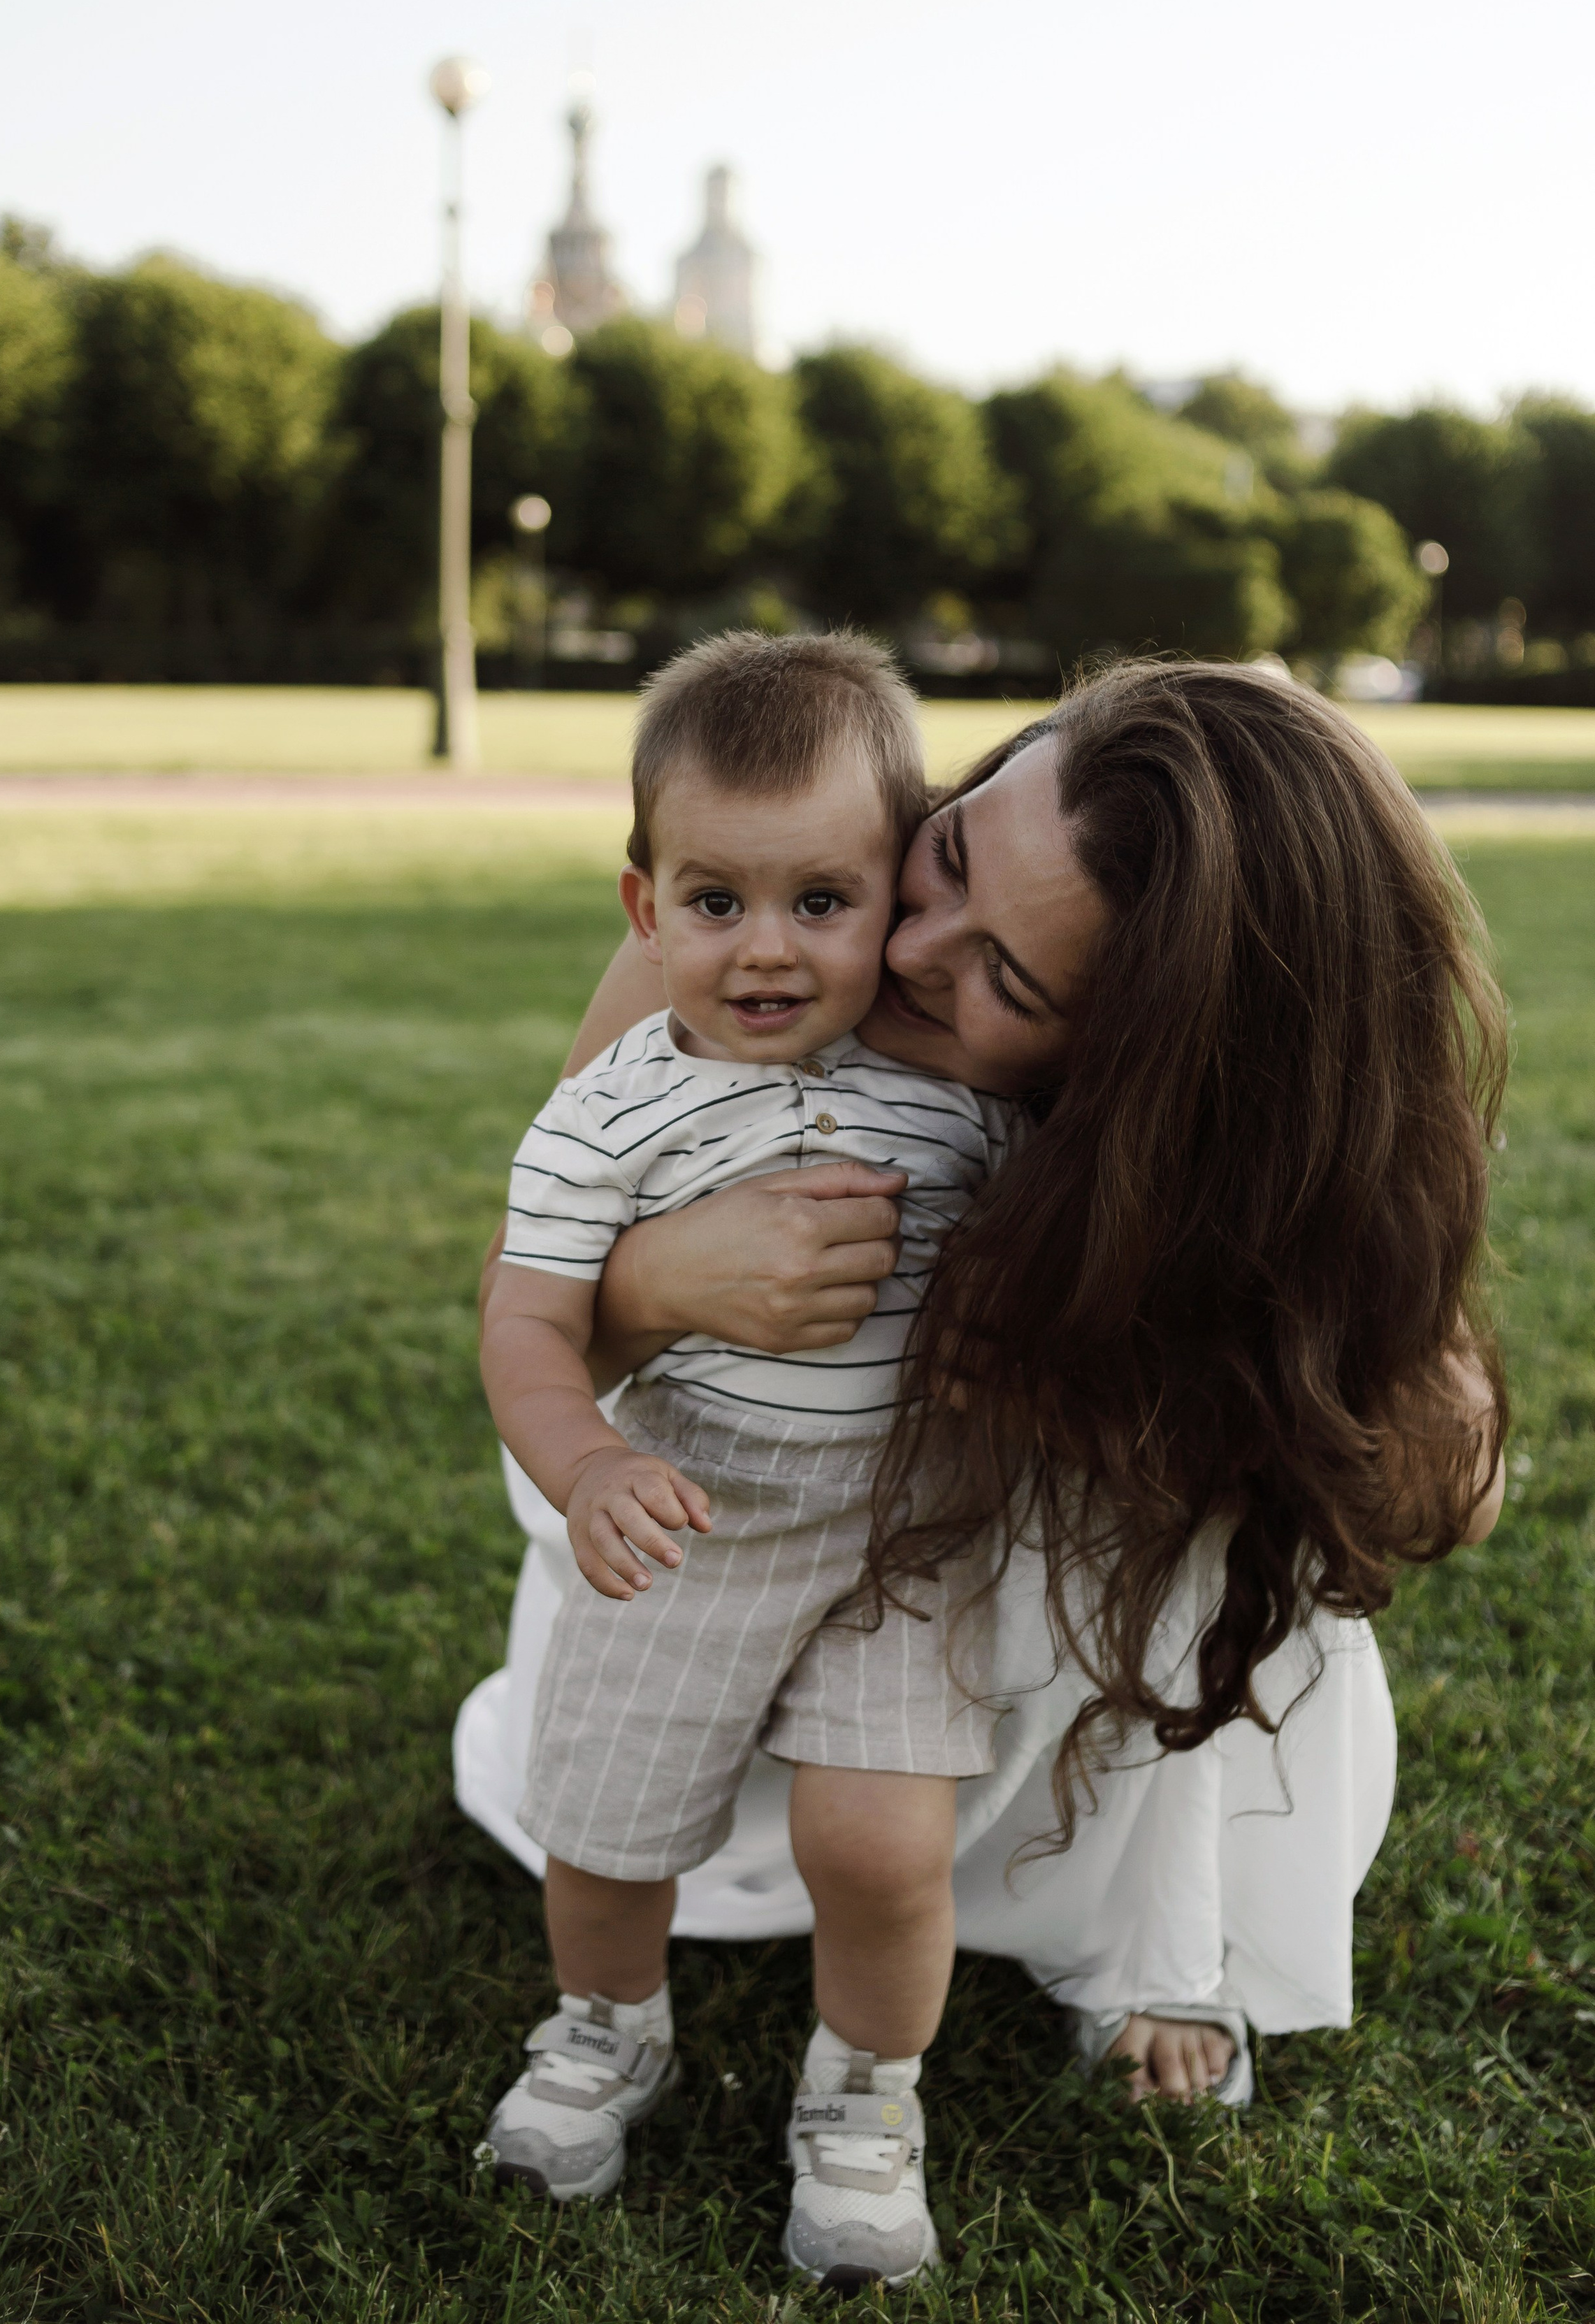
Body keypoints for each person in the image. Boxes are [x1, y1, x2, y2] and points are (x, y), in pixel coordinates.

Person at [457, 658, 1506, 2227]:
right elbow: (531, 1294)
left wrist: (1108, 1375)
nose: (904, 949)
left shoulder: (1242, 1151)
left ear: (1150, 1062)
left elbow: (1436, 1481)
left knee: (1223, 1490)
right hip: (725, 1498)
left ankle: (1149, 1921)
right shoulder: (778, 921)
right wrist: (663, 1279)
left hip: (976, 1565)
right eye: (942, 857)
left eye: (1007, 981)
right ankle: (658, 1945)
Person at [479, 630, 1018, 2288]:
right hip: (692, 1499)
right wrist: (583, 1471)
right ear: (644, 912)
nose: (766, 951)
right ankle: (606, 2029)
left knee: (878, 1842)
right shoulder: (606, 1117)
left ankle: (863, 2099)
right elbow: (524, 1327)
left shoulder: (955, 1099)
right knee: (604, 1819)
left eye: (820, 902)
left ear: (898, 903)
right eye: (715, 903)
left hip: (901, 1526)